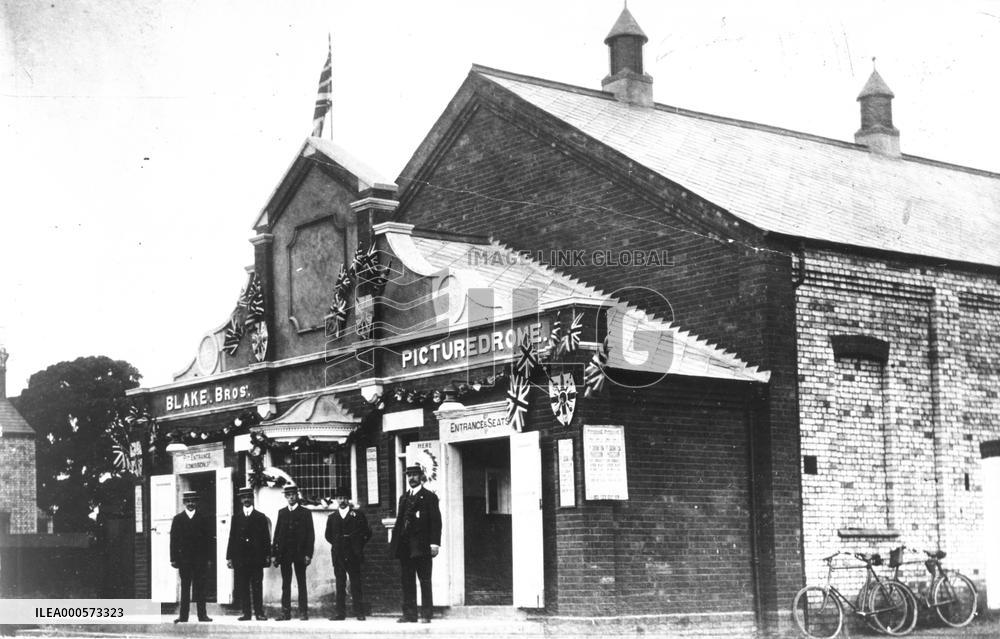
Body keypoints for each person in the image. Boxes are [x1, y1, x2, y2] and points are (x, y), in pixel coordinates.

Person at [391, 463, 442, 623]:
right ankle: (410, 614)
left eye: (414, 475)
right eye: (409, 475)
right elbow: (400, 522)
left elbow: (436, 522)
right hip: (406, 546)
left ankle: (426, 614)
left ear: (421, 477)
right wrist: (395, 543)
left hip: (422, 545)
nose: (411, 478)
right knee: (407, 580)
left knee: (425, 580)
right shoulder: (404, 497)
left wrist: (434, 543)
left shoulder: (429, 497)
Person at [324, 485, 372, 621]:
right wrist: (338, 544)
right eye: (339, 498)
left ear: (348, 499)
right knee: (340, 584)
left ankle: (359, 612)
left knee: (356, 583)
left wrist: (358, 546)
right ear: (336, 500)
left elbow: (367, 533)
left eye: (344, 497)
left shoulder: (357, 515)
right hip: (338, 555)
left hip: (353, 554)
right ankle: (340, 613)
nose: (342, 500)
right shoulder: (332, 517)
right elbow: (328, 535)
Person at [226, 487, 271, 621]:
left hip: (256, 558)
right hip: (241, 558)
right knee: (243, 585)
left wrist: (267, 555)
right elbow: (232, 538)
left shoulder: (260, 517)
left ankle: (259, 613)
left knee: (257, 585)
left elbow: (266, 538)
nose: (246, 500)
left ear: (252, 499)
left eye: (249, 497)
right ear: (241, 500)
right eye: (244, 497)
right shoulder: (236, 518)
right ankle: (246, 613)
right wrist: (229, 557)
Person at [169, 490, 214, 624]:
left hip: (200, 560)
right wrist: (173, 558)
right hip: (184, 560)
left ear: (196, 502)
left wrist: (210, 558)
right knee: (185, 587)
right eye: (188, 501)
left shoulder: (203, 518)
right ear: (184, 503)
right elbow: (173, 541)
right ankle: (183, 616)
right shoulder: (178, 519)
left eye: (193, 501)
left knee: (200, 587)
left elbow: (209, 541)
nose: (190, 503)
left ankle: (202, 615)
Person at [272, 484, 314, 620]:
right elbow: (277, 533)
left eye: (293, 495)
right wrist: (274, 554)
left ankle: (303, 612)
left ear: (297, 496)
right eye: (288, 495)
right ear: (285, 497)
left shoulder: (305, 513)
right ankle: (285, 612)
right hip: (284, 554)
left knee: (301, 582)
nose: (291, 497)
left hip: (300, 553)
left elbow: (310, 535)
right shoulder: (282, 512)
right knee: (286, 583)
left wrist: (308, 554)